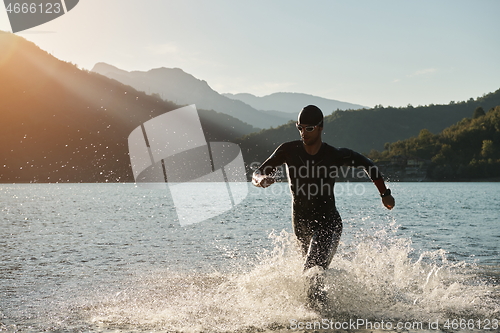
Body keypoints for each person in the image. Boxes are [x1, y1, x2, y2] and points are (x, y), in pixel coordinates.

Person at [252, 105, 395, 299]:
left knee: (311, 272)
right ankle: (321, 317)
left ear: (320, 127)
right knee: (313, 276)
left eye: (309, 128)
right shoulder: (288, 151)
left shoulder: (333, 155)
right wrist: (261, 180)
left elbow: (368, 165)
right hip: (301, 223)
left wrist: (384, 193)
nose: (303, 133)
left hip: (329, 223)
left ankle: (320, 319)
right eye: (300, 127)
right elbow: (257, 172)